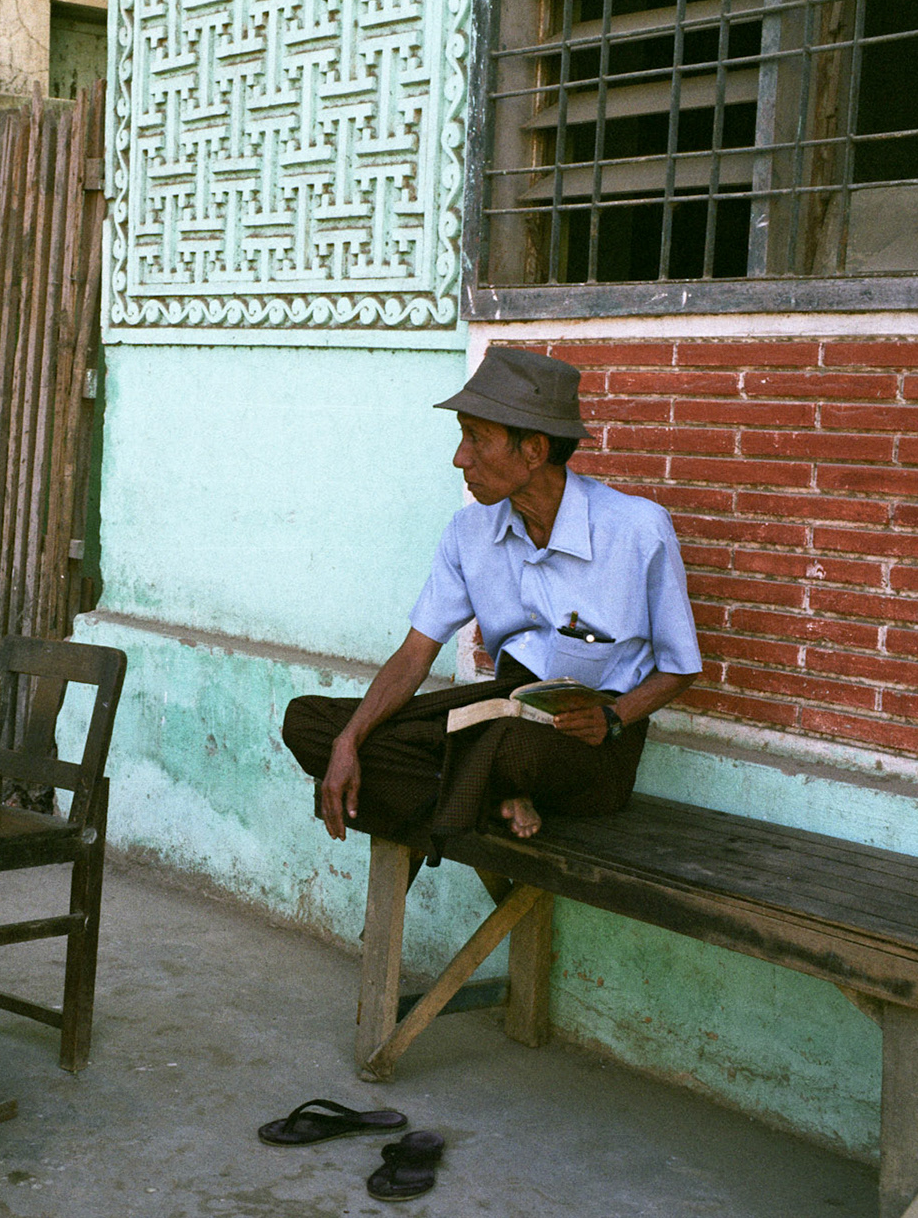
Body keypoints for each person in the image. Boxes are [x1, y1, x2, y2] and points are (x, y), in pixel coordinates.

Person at [281, 348, 701, 857]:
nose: (461, 457)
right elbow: (416, 654)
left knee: (507, 747)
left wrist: (614, 718)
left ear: (534, 449)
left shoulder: (637, 530)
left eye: (477, 438)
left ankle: (467, 797)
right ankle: (491, 802)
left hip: (592, 743)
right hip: (496, 717)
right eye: (463, 436)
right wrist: (348, 742)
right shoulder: (468, 531)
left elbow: (680, 668)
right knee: (310, 723)